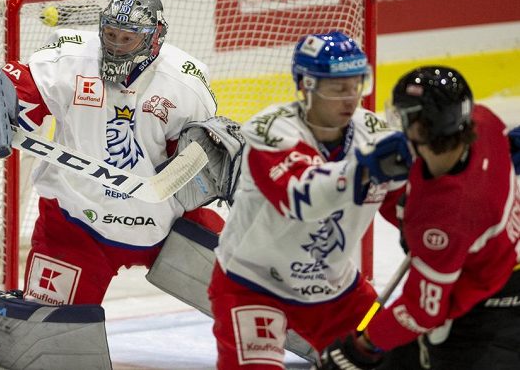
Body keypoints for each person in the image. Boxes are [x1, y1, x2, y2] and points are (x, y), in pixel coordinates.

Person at [1, 0, 220, 306]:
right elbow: (16, 93)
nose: (116, 46)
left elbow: (194, 165)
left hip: (165, 227)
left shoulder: (186, 83)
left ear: (153, 38)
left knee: (247, 288)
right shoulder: (71, 58)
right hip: (76, 225)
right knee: (56, 332)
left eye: (127, 38)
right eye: (111, 34)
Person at [207, 31, 412, 369]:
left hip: (336, 292)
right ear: (306, 86)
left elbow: (407, 206)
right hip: (253, 284)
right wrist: (365, 167)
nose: (350, 99)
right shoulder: (269, 131)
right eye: (336, 88)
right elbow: (303, 198)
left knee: (402, 360)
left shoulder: (374, 134)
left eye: (355, 84)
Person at [320, 66, 520, 370]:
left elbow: (422, 311)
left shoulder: (446, 217)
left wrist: (363, 346)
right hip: (496, 262)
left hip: (486, 308)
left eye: (406, 115)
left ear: (424, 127)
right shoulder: (484, 122)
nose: (401, 122)